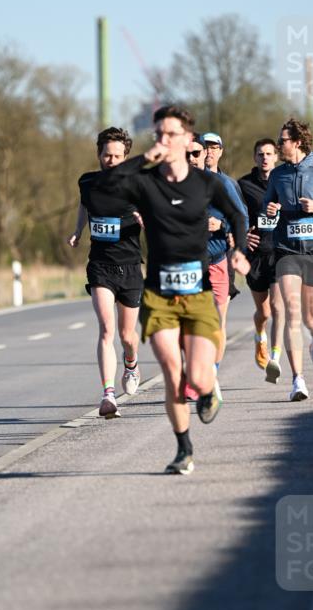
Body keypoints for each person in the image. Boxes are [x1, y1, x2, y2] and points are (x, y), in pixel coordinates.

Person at [91, 105, 250, 475]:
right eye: (158, 134)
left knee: (197, 375)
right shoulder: (146, 182)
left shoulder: (208, 184)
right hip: (159, 294)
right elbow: (109, 184)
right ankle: (184, 448)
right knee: (171, 370)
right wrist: (144, 160)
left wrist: (239, 250)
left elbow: (239, 216)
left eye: (171, 134)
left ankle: (208, 390)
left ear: (188, 140)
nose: (164, 140)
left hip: (196, 292)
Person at [262, 118, 313, 402]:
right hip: (286, 249)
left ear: (297, 142)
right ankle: (298, 379)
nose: (278, 145)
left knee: (311, 315)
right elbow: (266, 210)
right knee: (291, 312)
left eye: (282, 140)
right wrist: (271, 210)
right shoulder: (277, 175)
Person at [68, 127, 143, 419]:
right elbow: (84, 206)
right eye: (106, 155)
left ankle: (132, 362)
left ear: (125, 157)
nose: (110, 160)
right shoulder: (87, 182)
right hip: (100, 265)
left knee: (127, 335)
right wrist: (77, 230)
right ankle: (108, 394)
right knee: (106, 330)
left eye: (116, 156)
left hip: (131, 265)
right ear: (98, 154)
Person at [200, 132, 249, 388]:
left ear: (221, 151)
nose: (208, 152)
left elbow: (242, 218)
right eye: (203, 147)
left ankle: (212, 371)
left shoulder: (228, 185)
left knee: (217, 321)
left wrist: (225, 227)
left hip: (220, 258)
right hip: (192, 261)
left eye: (213, 147)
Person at [238, 138, 285, 383]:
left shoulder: (285, 181)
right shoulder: (244, 185)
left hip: (279, 252)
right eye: (260, 154)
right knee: (264, 311)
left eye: (269, 153)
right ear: (255, 158)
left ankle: (275, 358)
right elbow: (234, 213)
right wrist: (242, 233)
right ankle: (260, 335)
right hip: (255, 255)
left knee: (278, 307)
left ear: (276, 156)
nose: (265, 158)